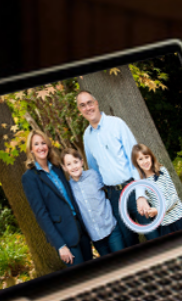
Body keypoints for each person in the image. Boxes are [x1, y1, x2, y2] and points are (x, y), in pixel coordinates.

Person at [76, 91, 151, 247]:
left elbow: (136, 161)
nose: (87, 108)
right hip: (114, 196)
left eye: (89, 103)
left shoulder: (116, 124)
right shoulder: (87, 136)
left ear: (96, 103)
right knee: (129, 242)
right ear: (79, 110)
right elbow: (94, 170)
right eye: (82, 105)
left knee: (153, 234)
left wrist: (141, 195)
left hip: (132, 187)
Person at [21, 131, 91, 268]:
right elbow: (41, 215)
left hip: (81, 230)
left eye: (43, 143)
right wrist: (60, 245)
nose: (41, 147)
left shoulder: (58, 168)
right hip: (65, 237)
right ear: (31, 150)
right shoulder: (29, 178)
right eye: (36, 144)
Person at [60, 148, 127, 258]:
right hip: (95, 237)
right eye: (69, 164)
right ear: (64, 168)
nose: (74, 166)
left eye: (76, 162)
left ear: (81, 162)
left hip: (111, 228)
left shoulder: (94, 175)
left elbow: (109, 190)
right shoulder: (68, 188)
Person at [130, 144, 182, 238]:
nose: (145, 161)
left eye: (146, 157)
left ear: (151, 157)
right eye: (140, 159)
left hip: (181, 218)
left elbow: (174, 196)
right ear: (136, 162)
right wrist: (149, 211)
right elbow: (150, 203)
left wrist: (158, 210)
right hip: (166, 225)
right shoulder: (141, 184)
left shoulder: (162, 171)